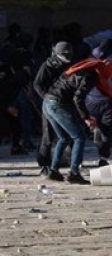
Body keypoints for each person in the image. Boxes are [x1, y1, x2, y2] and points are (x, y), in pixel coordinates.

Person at [44, 59, 112, 184]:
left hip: (48, 103)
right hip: (58, 105)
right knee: (79, 137)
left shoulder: (82, 71)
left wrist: (83, 115)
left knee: (64, 138)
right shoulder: (91, 76)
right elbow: (78, 98)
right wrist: (86, 117)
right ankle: (74, 173)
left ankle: (53, 171)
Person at [33, 42, 73, 175]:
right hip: (50, 105)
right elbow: (37, 84)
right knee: (48, 135)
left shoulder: (69, 64)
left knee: (71, 134)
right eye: (65, 54)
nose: (68, 56)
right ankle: (44, 165)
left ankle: (73, 163)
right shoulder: (47, 65)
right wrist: (46, 97)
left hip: (66, 104)